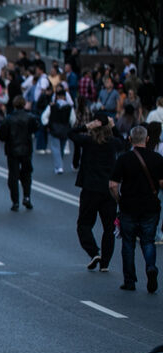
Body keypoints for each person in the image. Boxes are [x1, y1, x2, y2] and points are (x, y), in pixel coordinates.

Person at [109, 126, 163, 292]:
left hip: (129, 207)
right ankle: (151, 267)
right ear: (147, 140)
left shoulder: (124, 159)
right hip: (150, 206)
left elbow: (112, 185)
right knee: (148, 241)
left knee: (128, 243)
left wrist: (119, 199)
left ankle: (130, 280)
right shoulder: (157, 158)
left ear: (130, 140)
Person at [69, 113, 124, 272]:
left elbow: (71, 133)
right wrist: (113, 127)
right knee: (109, 228)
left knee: (84, 225)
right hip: (107, 191)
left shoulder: (88, 141)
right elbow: (124, 143)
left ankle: (94, 252)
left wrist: (86, 126)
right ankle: (105, 264)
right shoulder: (113, 143)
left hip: (90, 189)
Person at [0, 95, 39, 211]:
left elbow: (2, 135)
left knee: (13, 175)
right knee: (26, 174)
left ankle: (15, 201)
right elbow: (36, 127)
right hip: (26, 149)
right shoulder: (30, 117)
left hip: (12, 150)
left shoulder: (9, 118)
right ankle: (27, 197)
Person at [41, 86, 76, 175]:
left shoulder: (52, 106)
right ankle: (59, 164)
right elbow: (73, 119)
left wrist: (48, 125)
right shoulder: (69, 107)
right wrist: (69, 126)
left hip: (54, 129)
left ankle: (59, 166)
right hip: (65, 129)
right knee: (62, 147)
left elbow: (44, 117)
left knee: (55, 148)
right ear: (65, 97)